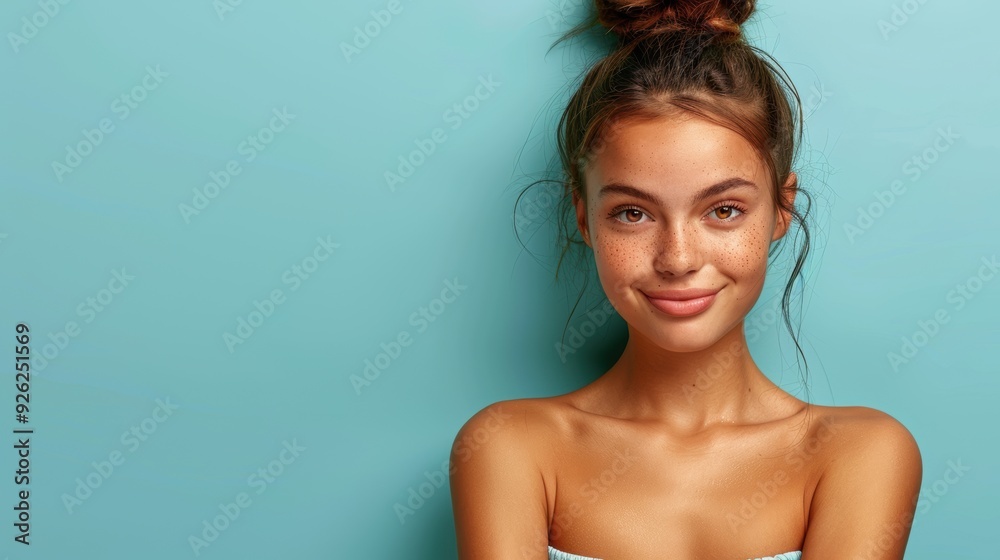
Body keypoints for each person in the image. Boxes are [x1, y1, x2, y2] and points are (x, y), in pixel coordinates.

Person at [449, 1, 922, 558]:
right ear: (584, 218)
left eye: (722, 210)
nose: (677, 259)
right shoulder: (509, 448)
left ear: (780, 209)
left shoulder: (859, 454)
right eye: (633, 213)